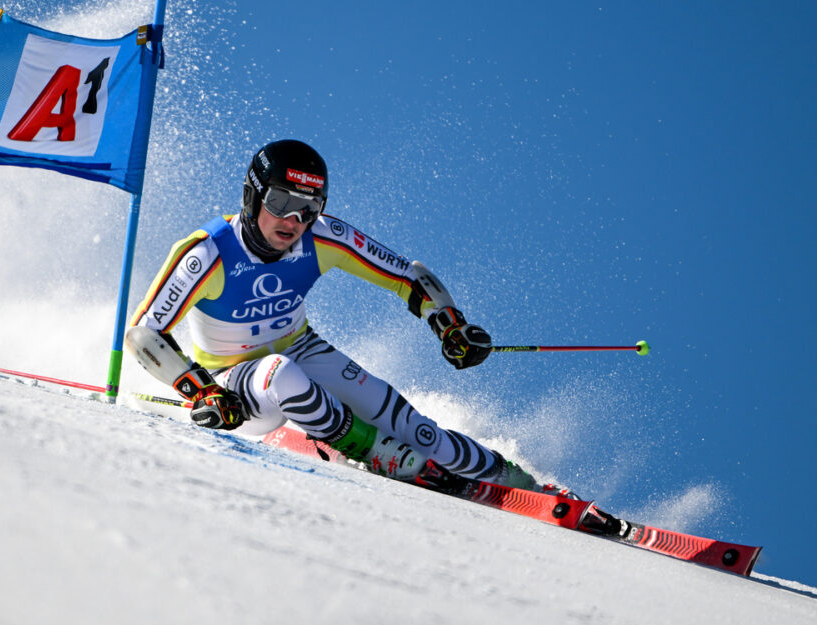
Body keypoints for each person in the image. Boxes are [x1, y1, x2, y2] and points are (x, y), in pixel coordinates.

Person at [125, 139, 557, 492]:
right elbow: (144, 333)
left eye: (308, 208)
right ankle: (375, 453)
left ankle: (523, 482)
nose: (294, 220)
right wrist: (200, 390)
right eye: (280, 202)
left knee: (415, 429)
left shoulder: (324, 236)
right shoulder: (208, 253)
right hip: (237, 385)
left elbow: (409, 275)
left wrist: (448, 324)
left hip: (303, 346)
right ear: (252, 194)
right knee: (281, 372)